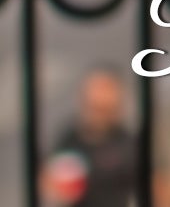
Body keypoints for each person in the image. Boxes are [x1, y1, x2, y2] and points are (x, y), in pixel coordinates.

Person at [40, 68, 137, 207]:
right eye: (94, 106)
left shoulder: (128, 144)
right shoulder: (70, 138)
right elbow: (48, 180)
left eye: (104, 108)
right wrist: (57, 187)